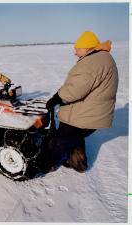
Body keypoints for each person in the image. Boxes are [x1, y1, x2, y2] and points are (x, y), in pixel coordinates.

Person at [43, 31, 118, 173]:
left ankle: (47, 164)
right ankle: (78, 163)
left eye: (77, 49)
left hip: (84, 114)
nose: (75, 53)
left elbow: (76, 89)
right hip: (90, 113)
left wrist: (56, 98)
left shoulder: (93, 61)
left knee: (59, 141)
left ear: (87, 47)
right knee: (76, 137)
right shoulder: (103, 58)